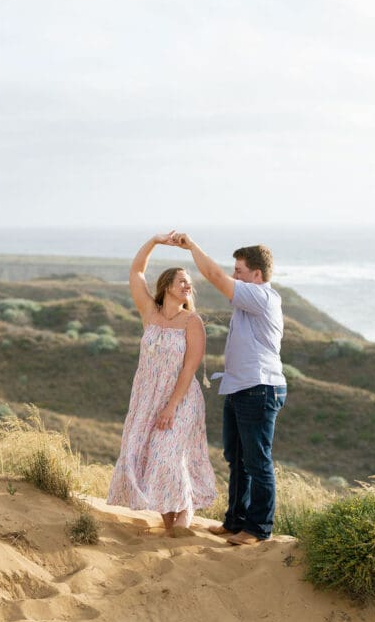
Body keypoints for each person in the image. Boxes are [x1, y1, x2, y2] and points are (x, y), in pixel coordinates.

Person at [169, 234, 286, 546]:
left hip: (260, 388)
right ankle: (235, 522)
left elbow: (213, 275)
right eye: (234, 270)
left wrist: (192, 247)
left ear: (257, 274)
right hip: (240, 388)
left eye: (239, 270)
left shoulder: (261, 296)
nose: (234, 275)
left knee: (257, 461)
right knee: (237, 458)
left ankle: (258, 529)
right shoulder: (250, 299)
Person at [106, 233, 217, 530]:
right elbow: (136, 272)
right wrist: (154, 241)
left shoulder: (192, 322)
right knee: (149, 456)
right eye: (182, 281)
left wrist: (171, 406)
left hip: (182, 398)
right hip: (147, 398)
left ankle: (186, 508)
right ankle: (171, 525)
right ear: (167, 286)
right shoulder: (150, 313)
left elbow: (189, 368)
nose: (187, 286)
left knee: (167, 455)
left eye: (189, 283)